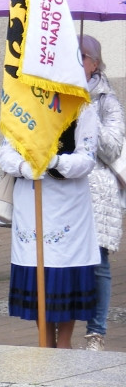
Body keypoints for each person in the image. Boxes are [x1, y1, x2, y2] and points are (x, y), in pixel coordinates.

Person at [0, 88, 101, 349]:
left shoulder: (81, 106)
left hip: (68, 205)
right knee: (37, 269)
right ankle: (44, 339)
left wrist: (53, 161)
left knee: (65, 270)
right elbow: (5, 152)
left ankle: (64, 342)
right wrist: (25, 166)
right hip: (31, 201)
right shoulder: (22, 104)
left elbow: (86, 158)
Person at [81, 35, 122, 351]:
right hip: (65, 186)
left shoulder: (107, 99)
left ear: (95, 62)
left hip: (97, 191)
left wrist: (87, 114)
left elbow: (112, 148)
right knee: (64, 262)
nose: (78, 62)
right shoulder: (57, 94)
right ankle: (61, 326)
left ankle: (96, 332)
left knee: (98, 263)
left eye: (83, 56)